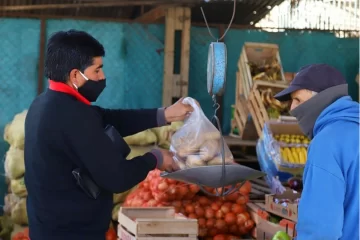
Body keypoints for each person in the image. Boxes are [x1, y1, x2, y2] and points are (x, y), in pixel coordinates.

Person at [24, 29, 194, 240]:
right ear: (75, 75)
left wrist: (164, 115)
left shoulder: (45, 103)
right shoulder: (72, 115)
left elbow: (107, 119)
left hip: (48, 227)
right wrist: (155, 158)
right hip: (72, 233)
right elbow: (118, 177)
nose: (102, 77)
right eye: (97, 70)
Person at [274, 64, 359, 240]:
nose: (292, 108)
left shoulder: (327, 143)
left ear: (321, 98)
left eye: (297, 100)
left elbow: (320, 230)